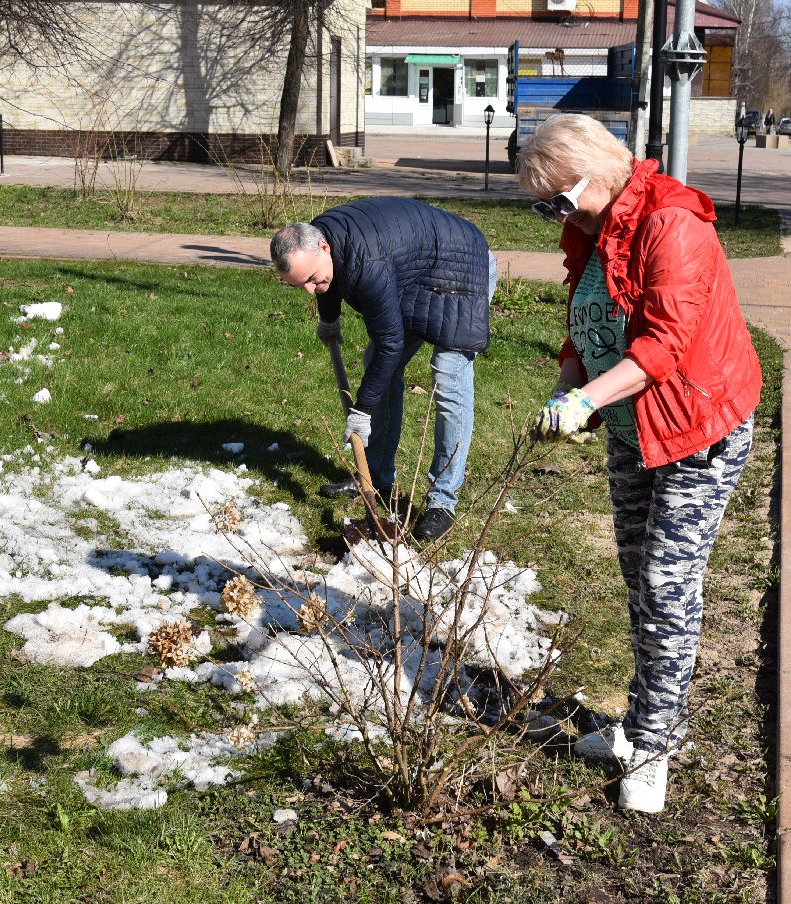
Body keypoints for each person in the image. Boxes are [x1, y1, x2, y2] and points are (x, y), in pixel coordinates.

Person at [515, 113, 762, 814]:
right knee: (640, 580)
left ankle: (653, 745)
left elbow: (662, 346)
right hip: (633, 429)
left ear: (601, 171)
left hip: (695, 428)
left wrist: (588, 399)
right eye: (544, 206)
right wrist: (568, 386)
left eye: (561, 199)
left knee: (666, 586)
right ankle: (648, 719)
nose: (556, 215)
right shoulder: (589, 230)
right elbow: (585, 325)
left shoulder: (672, 225)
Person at [270, 199, 497, 542]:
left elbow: (391, 343)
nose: (308, 290)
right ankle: (375, 477)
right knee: (377, 363)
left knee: (448, 375)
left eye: (311, 280)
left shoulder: (366, 263)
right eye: (298, 284)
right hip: (418, 272)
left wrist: (362, 410)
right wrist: (329, 319)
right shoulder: (321, 238)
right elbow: (329, 279)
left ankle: (442, 501)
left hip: (463, 268)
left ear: (324, 247)